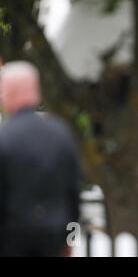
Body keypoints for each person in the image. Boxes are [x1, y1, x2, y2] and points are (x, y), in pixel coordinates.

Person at [0, 61, 81, 256]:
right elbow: (73, 193)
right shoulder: (61, 134)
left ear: (9, 93)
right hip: (53, 237)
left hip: (12, 238)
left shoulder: (5, 138)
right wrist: (69, 239)